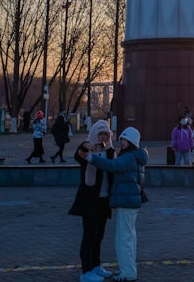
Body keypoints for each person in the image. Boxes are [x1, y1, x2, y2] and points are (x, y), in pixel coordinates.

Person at [80, 126, 148, 282]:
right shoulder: (136, 155)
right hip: (130, 202)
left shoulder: (129, 157)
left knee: (124, 239)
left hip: (127, 202)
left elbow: (111, 166)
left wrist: (91, 158)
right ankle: (127, 269)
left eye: (124, 140)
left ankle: (128, 273)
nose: (121, 142)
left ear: (131, 141)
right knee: (128, 238)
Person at [69, 119, 116, 282]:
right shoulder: (87, 151)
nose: (103, 137)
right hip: (89, 200)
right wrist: (85, 145)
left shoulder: (111, 152)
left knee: (99, 235)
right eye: (100, 133)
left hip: (104, 200)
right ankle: (86, 270)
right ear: (95, 134)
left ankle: (96, 265)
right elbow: (78, 154)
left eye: (105, 134)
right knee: (89, 235)